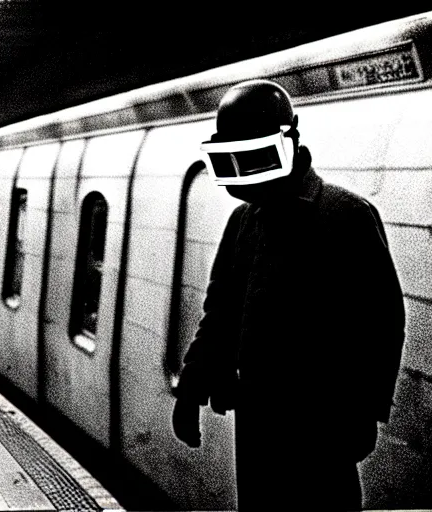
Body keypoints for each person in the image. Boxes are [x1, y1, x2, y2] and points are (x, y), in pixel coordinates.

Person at [170, 79, 406, 510]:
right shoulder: (244, 221)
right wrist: (192, 387)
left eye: (254, 157)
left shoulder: (347, 216)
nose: (245, 176)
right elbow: (220, 313)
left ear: (290, 141)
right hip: (257, 418)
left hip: (323, 424)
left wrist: (364, 413)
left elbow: (382, 321)